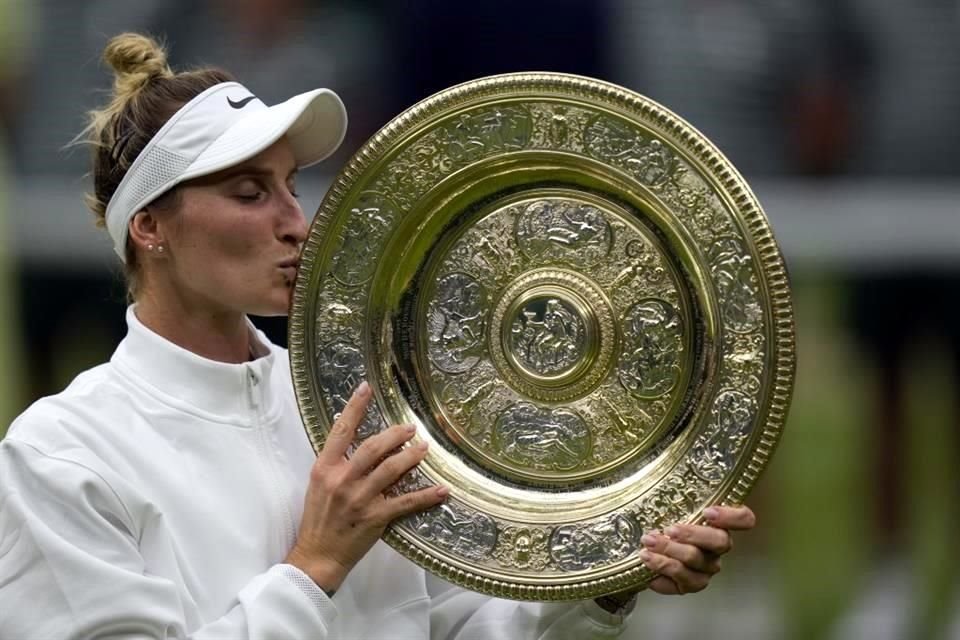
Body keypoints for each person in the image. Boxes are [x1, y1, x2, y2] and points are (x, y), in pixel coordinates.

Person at [0, 33, 756, 639]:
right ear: (150, 227)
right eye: (248, 192)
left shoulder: (364, 404)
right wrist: (315, 565)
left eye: (290, 185)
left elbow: (466, 625)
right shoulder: (61, 456)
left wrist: (605, 586)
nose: (296, 222)